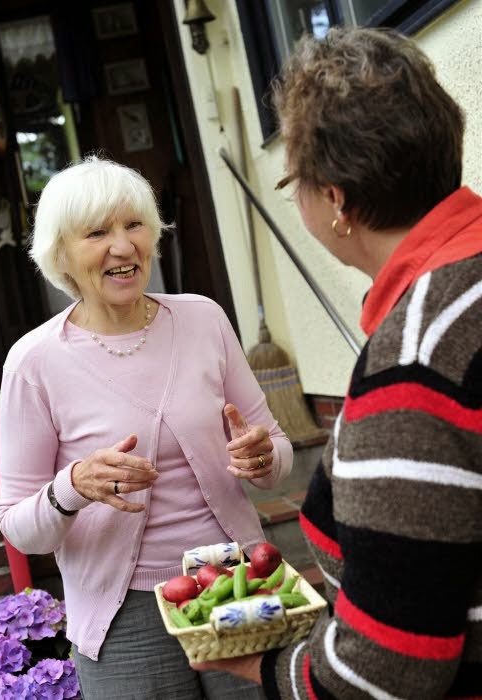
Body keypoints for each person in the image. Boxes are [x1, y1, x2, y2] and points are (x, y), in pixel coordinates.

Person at [192, 26, 482, 698]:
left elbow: (391, 669)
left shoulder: (415, 363)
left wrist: (271, 671)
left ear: (338, 201)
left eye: (295, 181)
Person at [0, 155, 294, 699]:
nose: (123, 246)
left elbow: (276, 452)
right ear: (61, 254)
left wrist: (264, 457)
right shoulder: (34, 362)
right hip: (126, 613)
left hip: (234, 581)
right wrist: (72, 486)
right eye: (97, 232)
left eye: (134, 225)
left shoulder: (203, 319)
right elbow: (19, 526)